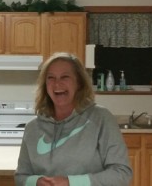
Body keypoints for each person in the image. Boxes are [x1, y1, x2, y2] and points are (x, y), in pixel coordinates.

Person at [15, 52, 133, 186]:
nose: (57, 84)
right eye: (51, 78)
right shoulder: (32, 128)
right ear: (45, 85)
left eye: (65, 77)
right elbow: (21, 177)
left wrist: (71, 182)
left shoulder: (101, 119)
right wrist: (35, 182)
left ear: (79, 83)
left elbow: (121, 174)